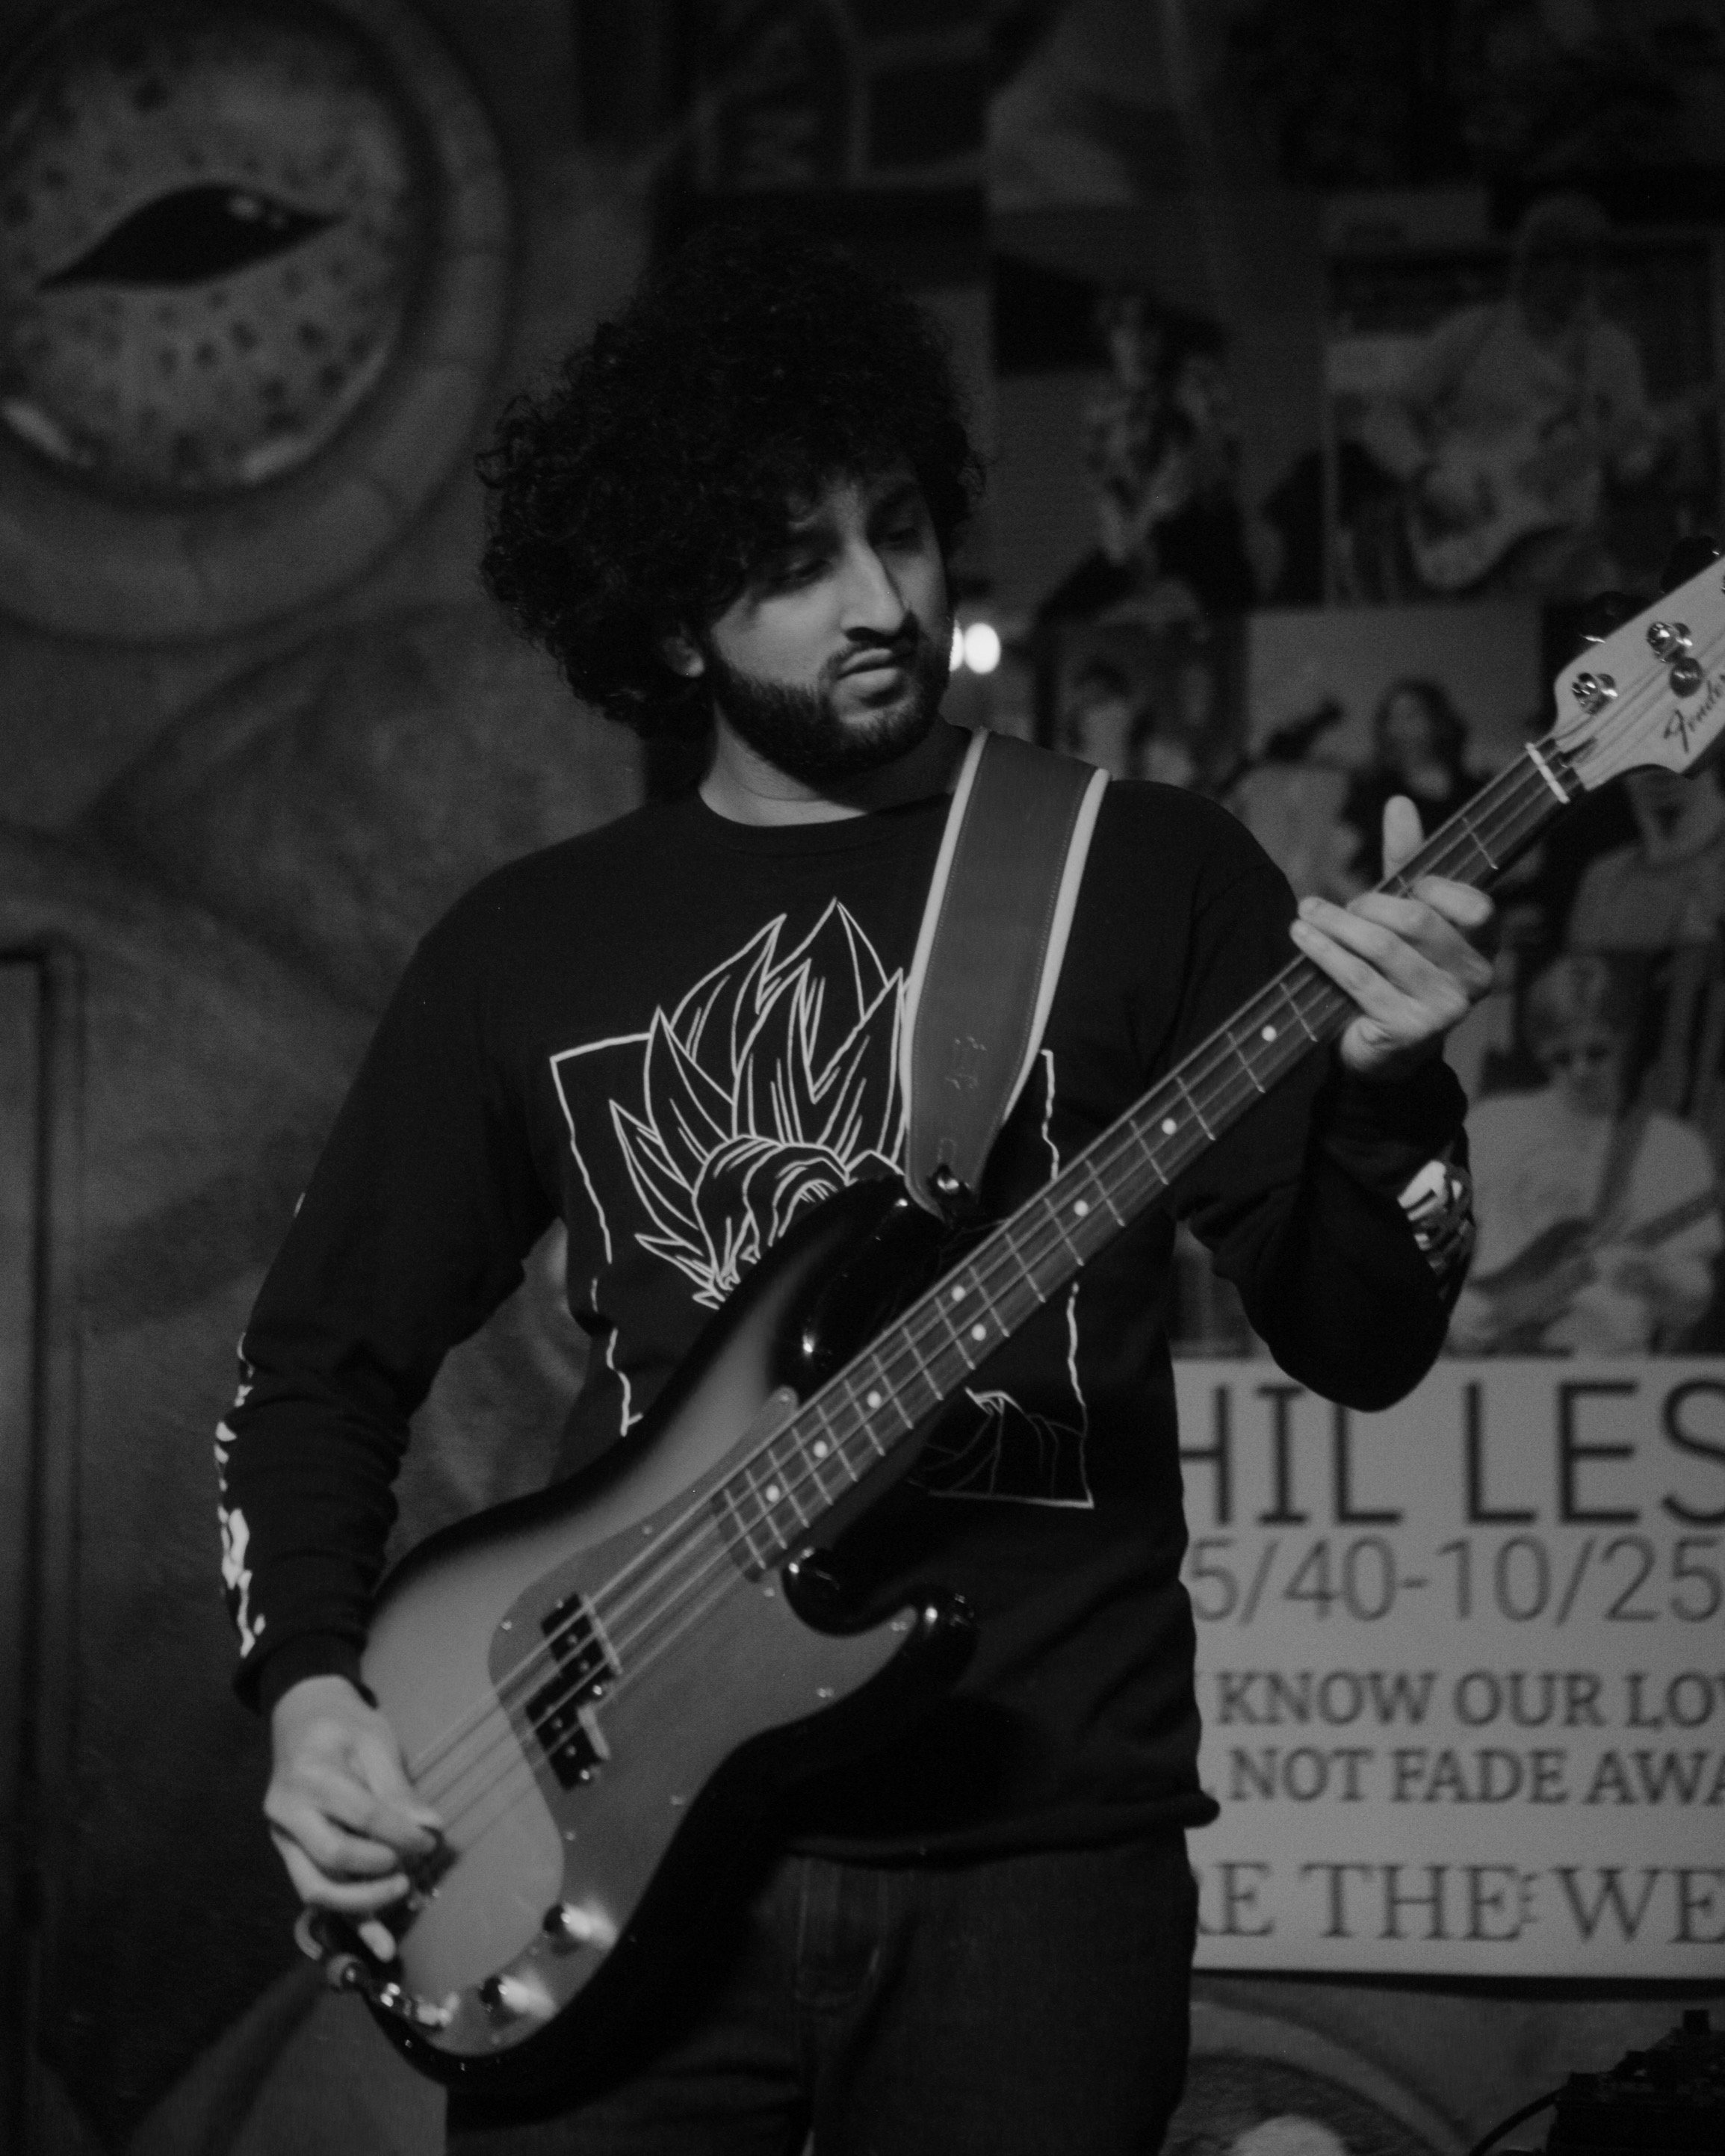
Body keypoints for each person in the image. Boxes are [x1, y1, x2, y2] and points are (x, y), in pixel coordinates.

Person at [217, 223, 1491, 2153]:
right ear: (665, 627)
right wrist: (313, 1690)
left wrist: (1393, 1108)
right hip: (589, 1813)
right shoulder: (526, 943)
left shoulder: (1139, 868)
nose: (877, 597)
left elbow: (1358, 1337)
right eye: (790, 563)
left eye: (894, 525)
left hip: (1039, 1856)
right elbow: (316, 1361)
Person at [1354, 193, 1658, 600]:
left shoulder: (1613, 351)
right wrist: (1431, 478)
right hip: (1476, 556)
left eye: (1581, 259)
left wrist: (1642, 456)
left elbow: (1630, 463)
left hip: (1574, 559)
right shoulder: (1474, 334)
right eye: (1551, 257)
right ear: (1528, 263)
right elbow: (1381, 420)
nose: (1565, 272)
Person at [1449, 953, 1720, 1355]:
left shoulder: (1671, 1146)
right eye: (1561, 1058)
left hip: (1611, 1369)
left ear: (1624, 1039)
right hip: (1499, 1368)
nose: (1580, 1071)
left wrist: (1648, 1275)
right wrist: (1455, 1312)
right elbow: (1433, 1251)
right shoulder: (1491, 1126)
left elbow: (1693, 1301)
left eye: (1597, 1052)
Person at [1337, 678, 1482, 893]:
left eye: (1412, 715)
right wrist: (1376, 910)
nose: (1401, 727)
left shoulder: (1472, 789)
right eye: (1393, 718)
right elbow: (1332, 867)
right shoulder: (1375, 790)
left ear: (1436, 720)